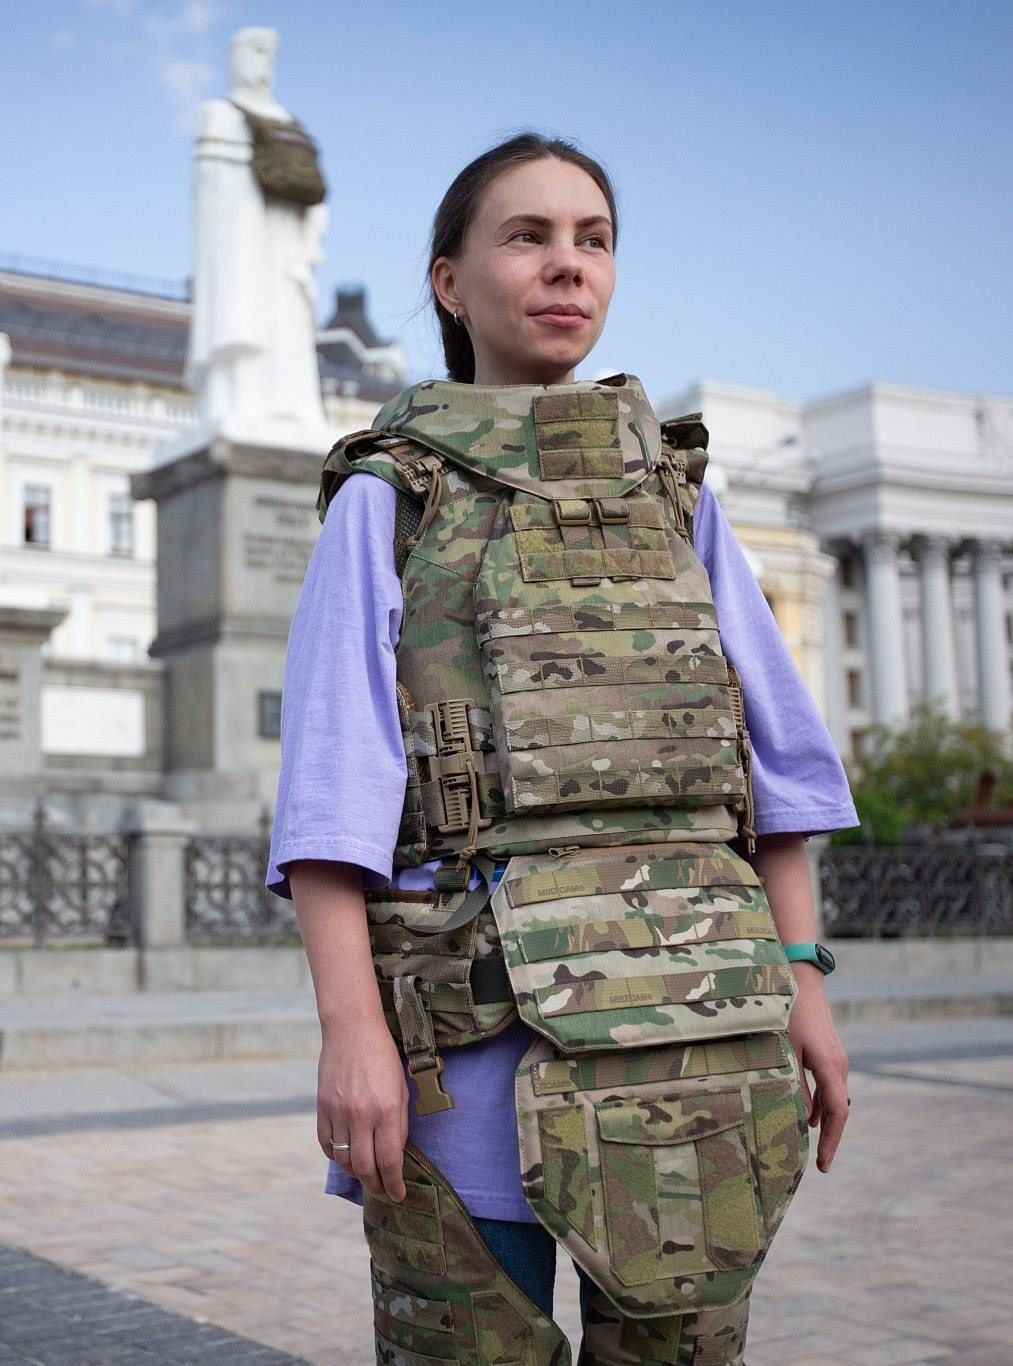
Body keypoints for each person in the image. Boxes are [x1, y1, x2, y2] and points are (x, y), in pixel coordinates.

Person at [266, 131, 858, 1363]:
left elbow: (777, 769)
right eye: (526, 236)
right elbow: (332, 793)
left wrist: (803, 982)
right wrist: (350, 1031)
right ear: (449, 281)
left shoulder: (676, 497)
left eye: (593, 239)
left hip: (695, 1048)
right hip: (468, 1056)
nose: (566, 265)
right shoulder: (391, 498)